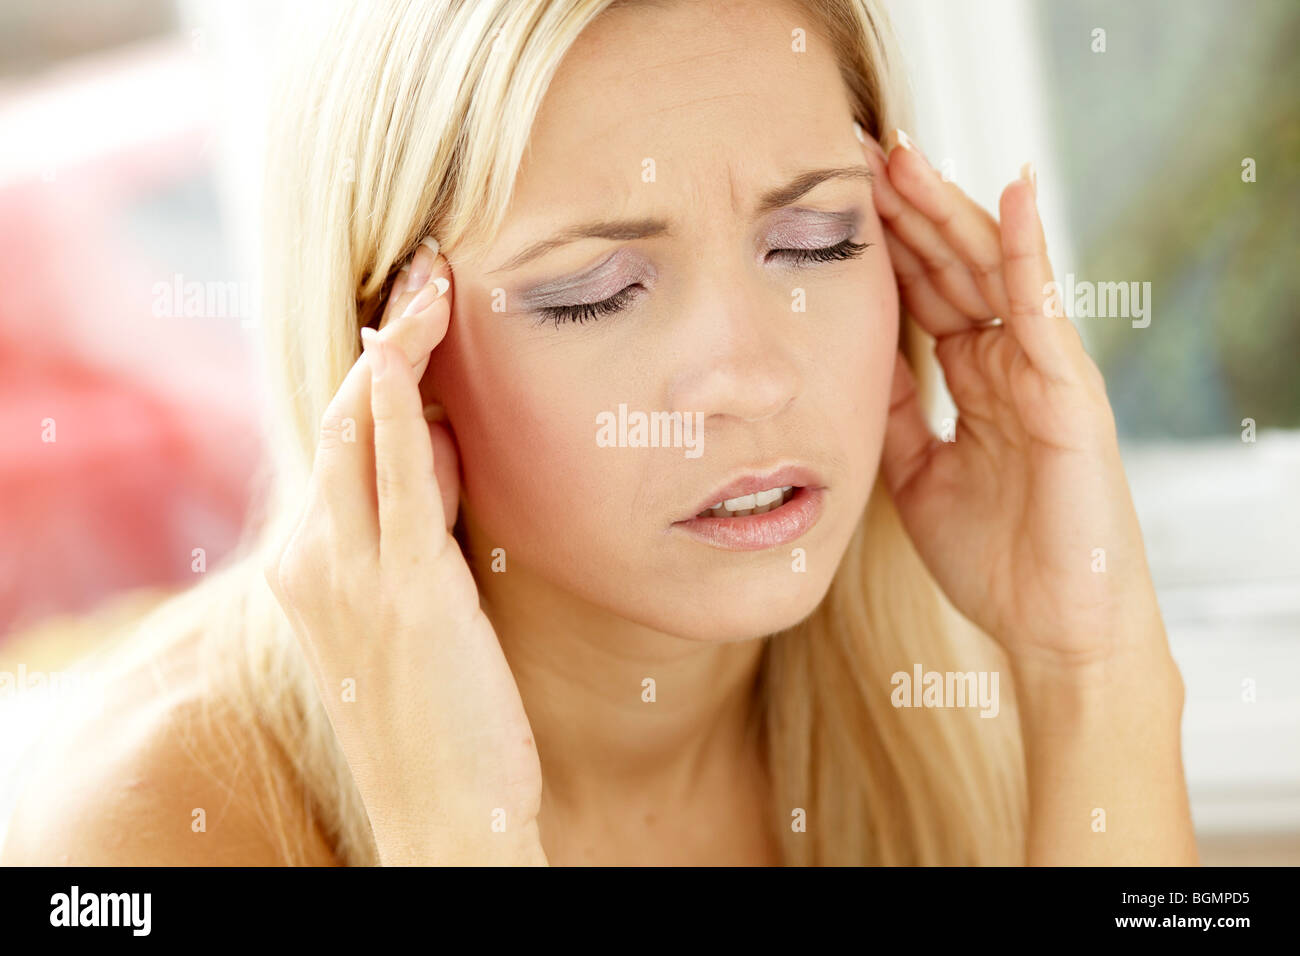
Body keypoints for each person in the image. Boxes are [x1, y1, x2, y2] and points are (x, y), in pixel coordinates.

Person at [1, 0, 1196, 866]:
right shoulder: (142, 833)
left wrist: (1092, 671)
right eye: (597, 292)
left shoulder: (965, 680)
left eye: (817, 240)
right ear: (397, 368)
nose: (751, 377)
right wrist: (458, 840)